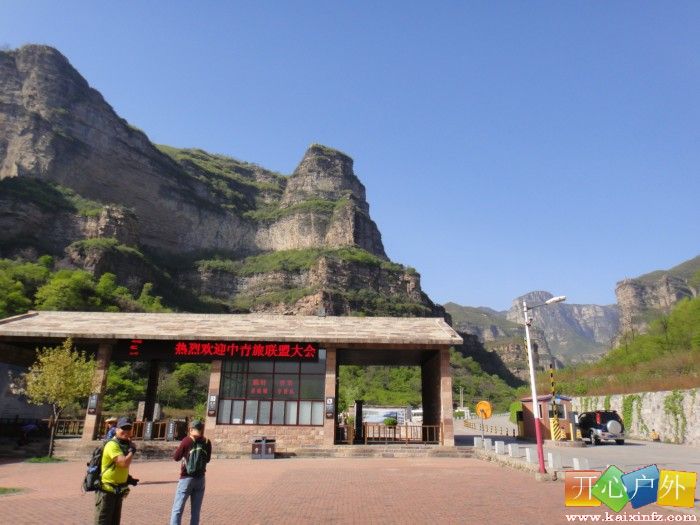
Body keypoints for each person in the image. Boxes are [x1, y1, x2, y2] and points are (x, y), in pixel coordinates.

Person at [95, 417, 137, 525]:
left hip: (118, 491)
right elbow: (123, 463)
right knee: (103, 522)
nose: (126, 431)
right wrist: (131, 451)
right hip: (106, 491)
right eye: (123, 428)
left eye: (129, 429)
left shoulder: (124, 445)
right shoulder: (112, 445)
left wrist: (127, 478)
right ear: (117, 429)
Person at [170, 419, 212, 525]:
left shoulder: (187, 440)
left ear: (190, 429)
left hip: (186, 478)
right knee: (195, 511)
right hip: (200, 478)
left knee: (177, 509)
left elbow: (176, 457)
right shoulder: (207, 442)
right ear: (201, 429)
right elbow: (207, 459)